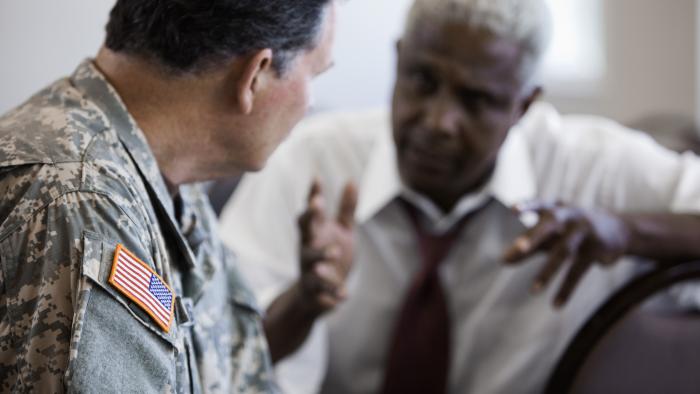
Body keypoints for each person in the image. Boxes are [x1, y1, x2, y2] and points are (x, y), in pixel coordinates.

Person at [219, 0, 700, 393]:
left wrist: (627, 230)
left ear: (524, 105)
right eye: (422, 81)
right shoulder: (311, 163)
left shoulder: (594, 169)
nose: (437, 121)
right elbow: (214, 358)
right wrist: (304, 302)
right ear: (399, 57)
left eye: (476, 100)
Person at [0, 0, 337, 392]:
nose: (311, 102)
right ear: (256, 76)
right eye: (315, 74)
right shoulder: (79, 205)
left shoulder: (170, 177)